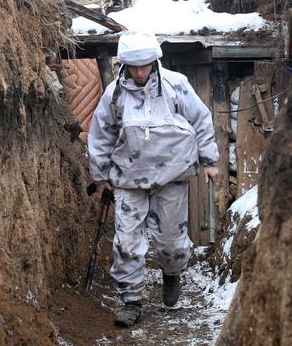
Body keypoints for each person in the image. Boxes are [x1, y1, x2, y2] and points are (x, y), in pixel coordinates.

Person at [88, 30, 219, 327]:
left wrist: (209, 160)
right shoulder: (115, 94)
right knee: (127, 241)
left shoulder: (176, 85)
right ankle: (131, 300)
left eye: (145, 65)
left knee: (171, 241)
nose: (139, 72)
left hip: (171, 176)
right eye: (133, 66)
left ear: (154, 61)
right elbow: (101, 133)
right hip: (128, 179)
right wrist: (100, 175)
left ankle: (172, 275)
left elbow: (201, 119)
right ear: (124, 64)